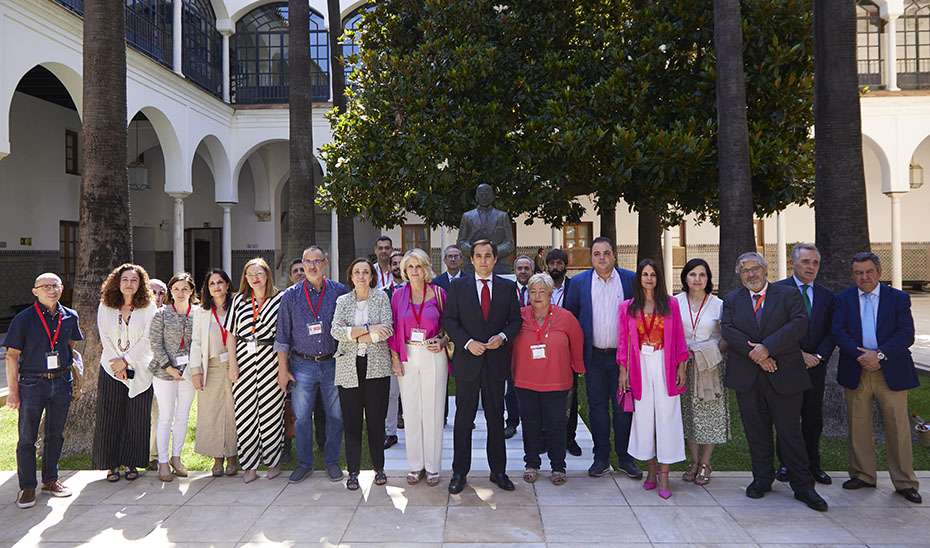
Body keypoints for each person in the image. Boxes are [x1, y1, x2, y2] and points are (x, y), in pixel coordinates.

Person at [721, 252, 828, 511]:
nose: (751, 274)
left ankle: (803, 487)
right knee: (756, 432)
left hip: (785, 375)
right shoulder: (732, 300)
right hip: (748, 377)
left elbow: (798, 324)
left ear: (765, 269)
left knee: (790, 433)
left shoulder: (788, 295)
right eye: (745, 271)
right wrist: (756, 355)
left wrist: (767, 348)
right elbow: (729, 330)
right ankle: (762, 479)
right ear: (740, 275)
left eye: (755, 269)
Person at [832, 252, 921, 504]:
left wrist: (879, 355)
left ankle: (904, 482)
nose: (864, 277)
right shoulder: (843, 299)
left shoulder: (899, 298)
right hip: (857, 369)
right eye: (858, 273)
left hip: (891, 371)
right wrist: (863, 356)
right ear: (853, 275)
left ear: (879, 272)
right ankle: (863, 474)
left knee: (898, 429)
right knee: (858, 426)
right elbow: (839, 332)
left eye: (869, 271)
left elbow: (906, 334)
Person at [444, 239, 522, 494]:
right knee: (463, 421)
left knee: (495, 420)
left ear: (495, 259)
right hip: (468, 363)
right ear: (472, 259)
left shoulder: (507, 287)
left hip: (496, 364)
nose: (484, 260)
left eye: (488, 255)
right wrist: (467, 343)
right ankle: (459, 472)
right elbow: (450, 320)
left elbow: (515, 321)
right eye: (479, 256)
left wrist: (502, 337)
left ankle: (498, 471)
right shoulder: (458, 286)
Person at [564, 237, 642, 479]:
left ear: (614, 255)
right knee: (597, 409)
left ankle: (625, 458)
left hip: (624, 359)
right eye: (597, 254)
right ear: (591, 258)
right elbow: (571, 320)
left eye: (606, 253)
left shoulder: (630, 280)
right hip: (594, 358)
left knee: (623, 409)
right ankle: (601, 457)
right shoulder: (578, 283)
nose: (602, 258)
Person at [6, 273, 81, 509]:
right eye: (45, 286)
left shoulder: (70, 316)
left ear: (61, 288)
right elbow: (11, 356)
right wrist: (13, 391)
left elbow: (71, 345)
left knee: (55, 434)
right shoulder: (23, 319)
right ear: (35, 291)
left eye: (55, 286)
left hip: (61, 382)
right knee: (27, 438)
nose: (51, 290)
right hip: (32, 383)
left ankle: (51, 480)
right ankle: (27, 487)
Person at [275, 246, 348, 483]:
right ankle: (305, 463)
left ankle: (331, 461)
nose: (313, 266)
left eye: (317, 261)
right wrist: (283, 370)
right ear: (303, 264)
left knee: (336, 416)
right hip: (302, 365)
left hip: (332, 363)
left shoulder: (339, 292)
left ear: (325, 263)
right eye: (308, 262)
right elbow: (283, 336)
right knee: (302, 417)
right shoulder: (290, 295)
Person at [617, 259, 689, 499]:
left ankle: (665, 474)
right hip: (640, 366)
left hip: (664, 363)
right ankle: (651, 469)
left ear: (659, 278)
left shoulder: (671, 304)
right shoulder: (627, 307)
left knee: (668, 417)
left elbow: (679, 337)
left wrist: (681, 367)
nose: (649, 278)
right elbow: (623, 343)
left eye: (653, 275)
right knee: (644, 418)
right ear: (639, 279)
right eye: (645, 274)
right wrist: (623, 372)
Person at [511, 273, 584, 485]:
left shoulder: (565, 316)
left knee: (556, 425)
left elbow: (577, 341)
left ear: (551, 294)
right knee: (530, 423)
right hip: (525, 380)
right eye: (533, 292)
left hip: (557, 380)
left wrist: (577, 368)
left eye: (542, 291)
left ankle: (558, 466)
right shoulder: (520, 315)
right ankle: (531, 463)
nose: (537, 296)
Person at [773, 244, 834, 485]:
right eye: (806, 261)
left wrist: (818, 356)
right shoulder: (777, 291)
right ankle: (787, 464)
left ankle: (812, 464)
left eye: (815, 263)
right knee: (787, 419)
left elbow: (832, 331)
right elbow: (773, 328)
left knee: (812, 418)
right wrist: (797, 354)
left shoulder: (827, 296)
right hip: (786, 365)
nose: (811, 267)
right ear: (792, 263)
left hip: (815, 367)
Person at [388, 249, 450, 487]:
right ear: (404, 270)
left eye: (419, 266)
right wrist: (395, 358)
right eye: (410, 267)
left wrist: (443, 341)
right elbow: (393, 328)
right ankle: (415, 465)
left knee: (433, 410)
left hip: (433, 353)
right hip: (406, 354)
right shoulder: (397, 296)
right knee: (411, 411)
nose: (414, 271)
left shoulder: (438, 293)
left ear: (426, 268)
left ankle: (433, 467)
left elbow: (450, 324)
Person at [331, 258, 394, 490]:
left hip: (376, 367)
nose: (361, 276)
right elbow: (335, 330)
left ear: (371, 276)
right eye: (356, 271)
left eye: (365, 272)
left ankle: (379, 468)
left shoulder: (381, 297)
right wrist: (369, 329)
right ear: (350, 276)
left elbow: (386, 330)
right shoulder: (342, 300)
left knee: (376, 421)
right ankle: (354, 472)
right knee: (352, 422)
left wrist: (353, 332)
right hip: (349, 367)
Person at [92, 263, 158, 483]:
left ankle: (131, 461)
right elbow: (105, 337)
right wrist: (117, 364)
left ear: (141, 284)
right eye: (125, 280)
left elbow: (148, 339)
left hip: (139, 370)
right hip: (111, 369)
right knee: (110, 417)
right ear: (117, 283)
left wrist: (127, 361)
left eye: (134, 280)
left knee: (136, 418)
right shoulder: (106, 306)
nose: (129, 284)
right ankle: (111, 464)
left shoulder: (148, 307)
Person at [226, 258, 285, 483]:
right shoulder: (239, 301)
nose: (255, 278)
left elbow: (284, 336)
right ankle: (249, 465)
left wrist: (282, 368)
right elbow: (231, 334)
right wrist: (233, 365)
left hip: (271, 360)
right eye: (250, 274)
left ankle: (273, 461)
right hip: (243, 360)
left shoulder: (280, 299)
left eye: (259, 273)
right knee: (245, 413)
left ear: (267, 275)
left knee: (271, 412)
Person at [675, 259, 729, 486]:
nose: (697, 279)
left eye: (702, 275)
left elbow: (726, 337)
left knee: (710, 416)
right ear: (685, 277)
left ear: (708, 279)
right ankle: (694, 461)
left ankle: (706, 462)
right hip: (682, 367)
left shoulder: (719, 304)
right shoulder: (674, 302)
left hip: (710, 367)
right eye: (693, 274)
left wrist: (709, 352)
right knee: (688, 416)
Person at [148, 272, 198, 482]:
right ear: (171, 291)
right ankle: (162, 461)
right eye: (176, 289)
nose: (180, 293)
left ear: (191, 291)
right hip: (164, 372)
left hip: (189, 372)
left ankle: (176, 458)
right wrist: (169, 368)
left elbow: (200, 342)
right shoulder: (161, 314)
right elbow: (155, 344)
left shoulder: (198, 313)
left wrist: (190, 369)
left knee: (182, 416)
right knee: (165, 417)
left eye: (184, 289)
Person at [189, 268, 238, 477]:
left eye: (220, 282)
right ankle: (217, 459)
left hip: (237, 366)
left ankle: (233, 458)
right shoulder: (201, 312)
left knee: (235, 413)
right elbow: (196, 342)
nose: (216, 286)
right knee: (212, 413)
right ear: (207, 289)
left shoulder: (238, 307)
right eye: (212, 283)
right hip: (212, 367)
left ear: (227, 285)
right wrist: (195, 371)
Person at [282, 257, 326, 461]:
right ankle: (293, 452)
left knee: (323, 411)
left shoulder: (331, 292)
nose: (301, 272)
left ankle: (323, 448)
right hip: (298, 362)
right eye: (297, 270)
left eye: (303, 268)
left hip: (326, 362)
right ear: (291, 276)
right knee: (296, 412)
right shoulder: (288, 297)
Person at [546, 247, 580, 456]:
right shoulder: (542, 287)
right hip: (542, 350)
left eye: (559, 263)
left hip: (567, 351)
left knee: (571, 396)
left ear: (565, 265)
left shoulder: (575, 288)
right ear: (547, 266)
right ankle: (544, 437)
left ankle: (570, 438)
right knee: (544, 396)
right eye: (552, 264)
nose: (555, 267)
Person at [433, 244, 464, 425]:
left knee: (462, 380)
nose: (453, 259)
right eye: (449, 256)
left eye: (456, 256)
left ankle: (463, 416)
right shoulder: (436, 283)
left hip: (462, 336)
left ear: (461, 259)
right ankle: (442, 416)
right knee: (441, 378)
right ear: (444, 260)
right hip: (442, 336)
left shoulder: (469, 280)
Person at [504, 255, 534, 439]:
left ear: (532, 270)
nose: (523, 272)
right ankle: (512, 422)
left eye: (526, 268)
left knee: (534, 387)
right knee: (512, 386)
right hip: (512, 345)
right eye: (519, 268)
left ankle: (533, 423)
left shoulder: (538, 289)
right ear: (514, 271)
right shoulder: (507, 290)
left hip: (534, 345)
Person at [456, 185, 516, 273]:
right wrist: (476, 253)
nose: (484, 197)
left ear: (492, 197)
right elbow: (461, 242)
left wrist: (492, 253)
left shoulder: (502, 216)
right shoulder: (467, 217)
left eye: (487, 194)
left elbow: (509, 243)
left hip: (499, 265)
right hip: (473, 267)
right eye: (481, 194)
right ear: (476, 197)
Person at [384, 250, 406, 448]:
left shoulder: (416, 292)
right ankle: (390, 433)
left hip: (413, 349)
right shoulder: (382, 293)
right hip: (390, 352)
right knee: (391, 394)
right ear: (389, 268)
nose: (398, 266)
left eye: (402, 262)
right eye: (395, 263)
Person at [147, 278, 167, 468]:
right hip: (138, 372)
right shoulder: (138, 313)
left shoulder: (167, 314)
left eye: (161, 293)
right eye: (153, 292)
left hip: (161, 372)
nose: (158, 297)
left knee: (159, 414)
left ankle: (154, 456)